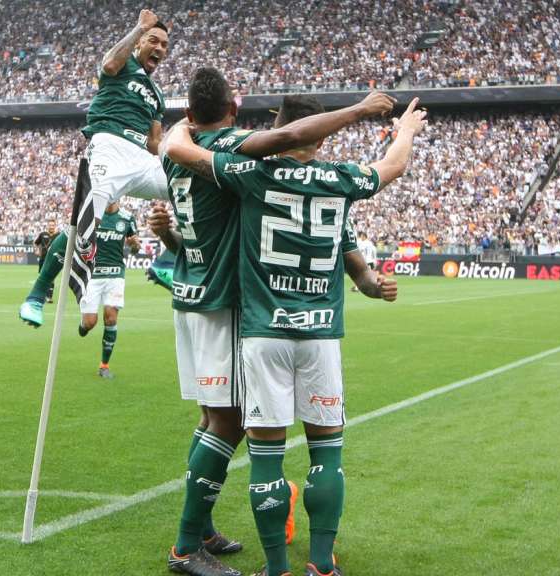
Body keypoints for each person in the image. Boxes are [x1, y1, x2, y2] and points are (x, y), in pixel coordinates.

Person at [165, 94, 426, 576]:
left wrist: (179, 131)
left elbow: (186, 155)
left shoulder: (251, 175)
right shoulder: (340, 179)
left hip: (263, 333)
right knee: (326, 451)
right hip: (321, 333)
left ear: (276, 130)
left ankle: (277, 568)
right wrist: (406, 127)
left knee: (265, 456)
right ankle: (322, 564)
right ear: (320, 136)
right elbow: (394, 165)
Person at [20, 9, 170, 325]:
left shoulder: (157, 94)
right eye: (153, 40)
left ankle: (167, 264)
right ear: (140, 42)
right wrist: (137, 28)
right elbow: (108, 64)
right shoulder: (123, 63)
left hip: (141, 160)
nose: (159, 48)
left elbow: (156, 142)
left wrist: (183, 146)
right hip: (108, 146)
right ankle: (37, 293)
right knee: (89, 213)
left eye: (164, 45)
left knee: (191, 186)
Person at [77, 201, 139, 378]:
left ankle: (104, 366)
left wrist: (134, 245)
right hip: (93, 276)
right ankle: (83, 325)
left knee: (110, 319)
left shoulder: (127, 218)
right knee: (90, 322)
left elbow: (135, 249)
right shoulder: (93, 218)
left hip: (115, 275)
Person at [33, 220, 59, 301]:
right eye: (50, 225)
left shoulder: (58, 235)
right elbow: (35, 243)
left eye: (53, 225)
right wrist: (37, 250)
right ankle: (42, 295)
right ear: (47, 226)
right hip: (43, 259)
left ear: (55, 226)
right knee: (42, 277)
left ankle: (49, 297)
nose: (51, 227)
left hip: (53, 259)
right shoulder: (43, 234)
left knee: (52, 277)